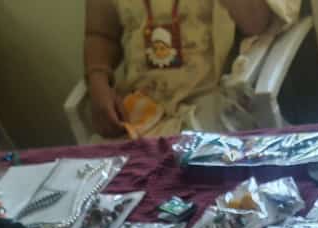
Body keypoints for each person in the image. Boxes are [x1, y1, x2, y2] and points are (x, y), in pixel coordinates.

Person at [84, 0, 299, 138]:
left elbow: (257, 22)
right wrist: (98, 81)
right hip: (137, 112)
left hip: (211, 107)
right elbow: (101, 34)